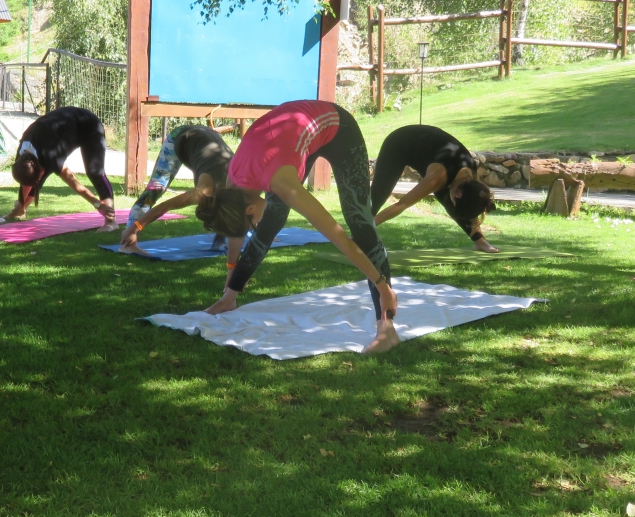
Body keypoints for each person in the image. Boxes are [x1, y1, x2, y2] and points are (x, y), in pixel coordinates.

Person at [195, 100, 400, 353]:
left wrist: (383, 286)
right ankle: (229, 300)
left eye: (251, 224)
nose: (253, 226)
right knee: (271, 220)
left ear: (249, 209)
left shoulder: (282, 182)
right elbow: (236, 227)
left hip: (338, 128)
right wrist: (230, 283)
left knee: (359, 221)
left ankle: (387, 329)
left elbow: (340, 238)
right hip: (289, 134)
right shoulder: (233, 185)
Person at [0, 105, 118, 230]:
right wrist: (20, 205)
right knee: (35, 176)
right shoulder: (23, 156)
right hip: (64, 130)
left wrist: (99, 205)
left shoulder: (49, 155)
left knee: (95, 172)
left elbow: (74, 183)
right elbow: (27, 179)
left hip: (89, 126)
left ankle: (111, 222)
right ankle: (21, 210)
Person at [370, 125, 498, 250]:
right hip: (399, 142)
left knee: (452, 202)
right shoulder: (437, 178)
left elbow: (472, 201)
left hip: (429, 145)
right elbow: (401, 204)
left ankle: (480, 242)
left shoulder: (471, 182)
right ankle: (359, 233)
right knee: (377, 196)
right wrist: (370, 226)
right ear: (458, 194)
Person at [119, 125, 235, 252]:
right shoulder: (202, 192)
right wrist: (135, 228)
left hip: (206, 140)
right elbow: (166, 206)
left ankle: (220, 241)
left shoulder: (241, 188)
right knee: (155, 189)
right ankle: (128, 242)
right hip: (180, 137)